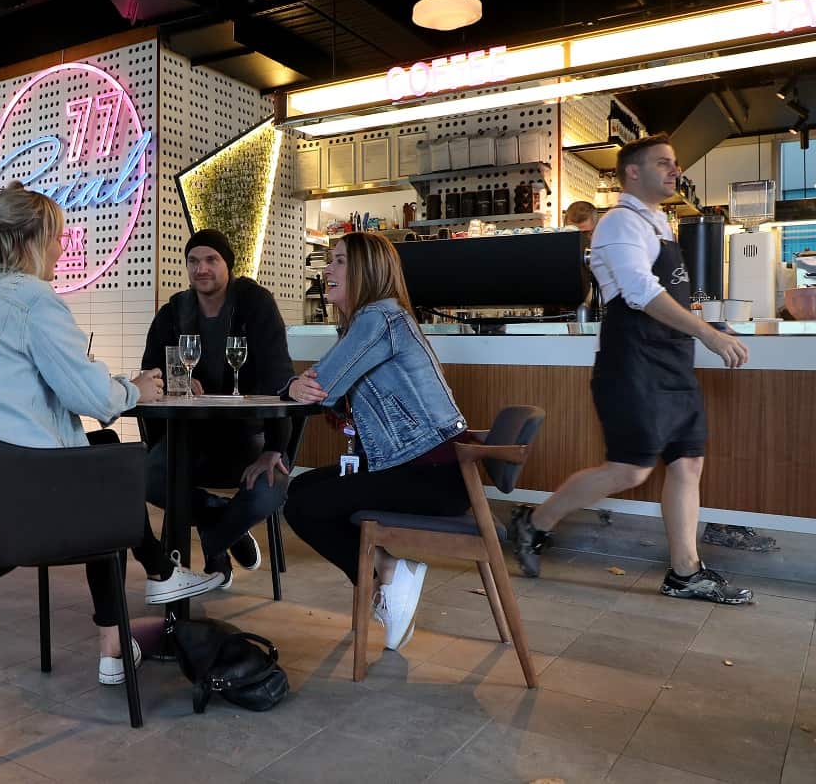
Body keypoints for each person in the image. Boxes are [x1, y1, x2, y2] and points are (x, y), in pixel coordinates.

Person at [0, 181, 180, 686]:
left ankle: (152, 585)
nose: (63, 248)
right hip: (22, 516)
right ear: (31, 241)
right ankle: (133, 615)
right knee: (113, 471)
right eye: (58, 237)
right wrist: (136, 389)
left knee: (101, 452)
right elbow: (93, 398)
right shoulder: (33, 302)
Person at [507, 134, 754, 605]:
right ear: (633, 172)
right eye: (663, 163)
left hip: (672, 363)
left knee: (688, 462)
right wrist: (706, 333)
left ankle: (685, 573)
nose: (674, 170)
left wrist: (706, 324)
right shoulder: (620, 223)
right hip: (633, 365)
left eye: (675, 163)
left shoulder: (659, 224)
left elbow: (666, 295)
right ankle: (533, 522)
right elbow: (640, 293)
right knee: (629, 470)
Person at [283, 232, 472, 650]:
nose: (327, 270)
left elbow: (321, 386)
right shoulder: (378, 319)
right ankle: (387, 572)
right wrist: (301, 387)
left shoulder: (377, 318)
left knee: (302, 505)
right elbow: (330, 395)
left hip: (428, 474)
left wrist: (294, 386)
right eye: (329, 260)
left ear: (366, 271)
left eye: (339, 261)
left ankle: (388, 574)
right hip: (430, 470)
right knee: (301, 489)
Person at [138, 229, 296, 591]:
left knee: (269, 490)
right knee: (145, 478)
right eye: (193, 261)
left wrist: (275, 446)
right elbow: (151, 372)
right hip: (190, 439)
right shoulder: (173, 313)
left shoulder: (255, 304)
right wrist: (175, 383)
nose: (201, 268)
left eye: (211, 260)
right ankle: (225, 525)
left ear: (228, 265)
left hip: (250, 437)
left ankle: (216, 536)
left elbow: (278, 376)